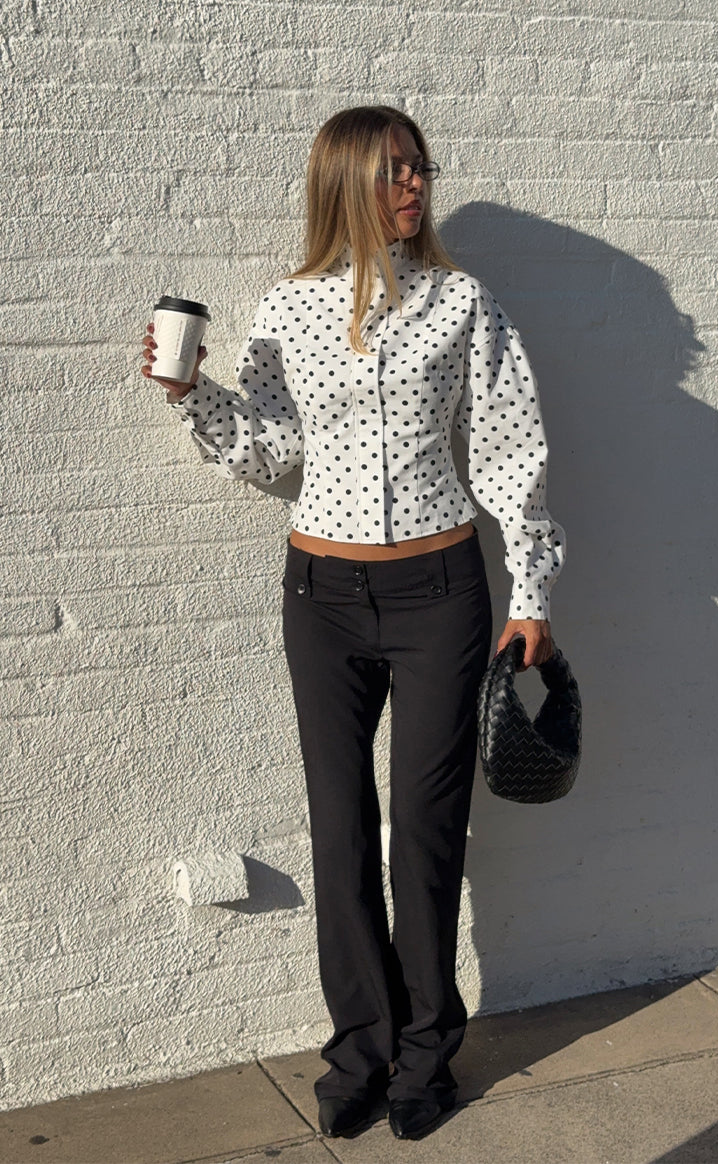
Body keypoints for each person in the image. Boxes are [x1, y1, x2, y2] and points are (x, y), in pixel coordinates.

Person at [141, 105, 566, 1142]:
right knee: (339, 830)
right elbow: (275, 457)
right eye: (391, 172)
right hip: (322, 600)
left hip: (441, 595)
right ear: (344, 185)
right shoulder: (288, 310)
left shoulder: (462, 303)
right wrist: (193, 394)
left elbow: (513, 449)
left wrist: (534, 598)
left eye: (419, 168)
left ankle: (428, 1053)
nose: (414, 187)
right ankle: (360, 1050)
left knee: (421, 831)